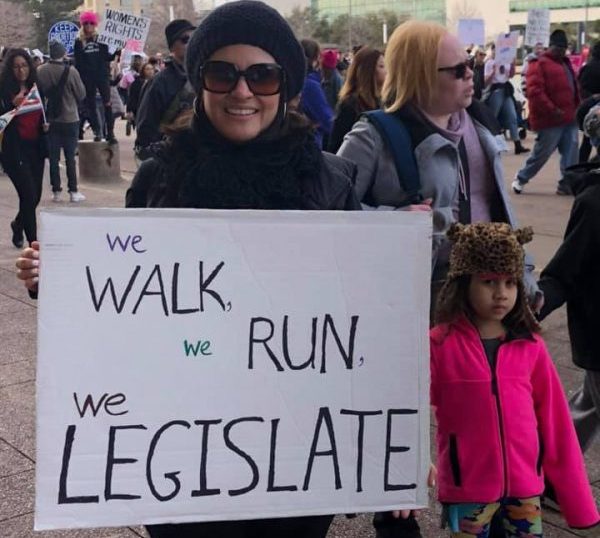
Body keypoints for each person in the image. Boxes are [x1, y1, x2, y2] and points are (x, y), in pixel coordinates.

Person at [16, 3, 360, 536]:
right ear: (199, 82)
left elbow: (364, 318)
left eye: (261, 75)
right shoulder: (158, 177)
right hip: (177, 454)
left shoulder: (329, 181)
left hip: (292, 456)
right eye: (222, 73)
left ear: (285, 86)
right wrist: (64, 282)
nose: (242, 91)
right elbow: (129, 297)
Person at [337, 21, 540, 311]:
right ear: (420, 77)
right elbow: (332, 210)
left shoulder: (480, 124)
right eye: (458, 70)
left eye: (469, 64)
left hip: (487, 303)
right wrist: (393, 220)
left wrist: (525, 277)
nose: (471, 73)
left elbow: (500, 212)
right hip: (414, 306)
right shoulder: (372, 135)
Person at [431, 222, 600, 537]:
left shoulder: (530, 346)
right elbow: (406, 412)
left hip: (525, 492)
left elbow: (557, 424)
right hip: (468, 490)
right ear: (462, 283)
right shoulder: (439, 345)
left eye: (510, 282)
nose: (501, 293)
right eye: (489, 281)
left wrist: (578, 501)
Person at [538, 161, 600, 457]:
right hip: (597, 334)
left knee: (588, 404)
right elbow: (564, 271)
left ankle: (551, 473)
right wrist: (526, 310)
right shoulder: (594, 203)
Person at [512, 30, 580, 196]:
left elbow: (574, 86)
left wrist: (577, 105)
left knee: (571, 152)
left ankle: (566, 183)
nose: (562, 51)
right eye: (558, 48)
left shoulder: (565, 63)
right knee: (541, 153)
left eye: (564, 48)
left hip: (569, 116)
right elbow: (535, 92)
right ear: (551, 47)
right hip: (551, 119)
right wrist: (552, 109)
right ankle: (521, 178)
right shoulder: (539, 64)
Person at [0, 48, 47, 248]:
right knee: (27, 194)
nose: (21, 71)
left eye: (24, 66)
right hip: (13, 150)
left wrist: (47, 125)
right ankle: (33, 243)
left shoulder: (36, 87)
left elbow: (44, 111)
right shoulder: (3, 90)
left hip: (35, 147)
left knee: (35, 196)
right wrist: (11, 105)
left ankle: (18, 224)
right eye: (16, 67)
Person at [134, 19, 195, 160]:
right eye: (185, 39)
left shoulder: (206, 75)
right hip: (172, 159)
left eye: (195, 37)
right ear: (172, 47)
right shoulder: (159, 82)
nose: (191, 43)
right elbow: (145, 126)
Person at [37, 40, 86, 203]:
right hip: (70, 118)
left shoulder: (41, 71)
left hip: (50, 119)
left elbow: (38, 96)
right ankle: (73, 191)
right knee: (70, 157)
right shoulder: (71, 71)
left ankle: (56, 191)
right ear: (63, 53)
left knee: (53, 158)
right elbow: (81, 94)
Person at [328, 46, 385, 153]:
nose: (387, 71)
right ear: (368, 71)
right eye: (381, 66)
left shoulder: (382, 100)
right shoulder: (351, 104)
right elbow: (337, 145)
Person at [74, 11, 116, 143]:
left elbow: (107, 57)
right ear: (82, 24)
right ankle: (97, 131)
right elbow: (78, 62)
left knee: (107, 103)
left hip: (102, 75)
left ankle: (110, 133)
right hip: (87, 77)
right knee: (90, 105)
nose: (88, 26)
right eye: (85, 23)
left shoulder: (101, 39)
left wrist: (117, 50)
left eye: (91, 23)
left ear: (95, 24)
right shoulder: (79, 41)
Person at [483, 45, 529, 154]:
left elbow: (510, 75)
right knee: (493, 117)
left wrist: (512, 65)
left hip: (505, 90)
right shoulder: (489, 63)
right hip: (496, 90)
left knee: (512, 116)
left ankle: (517, 144)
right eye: (494, 50)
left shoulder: (505, 62)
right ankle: (489, 143)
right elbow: (486, 81)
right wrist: (493, 72)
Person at [300, 39, 333, 149]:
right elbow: (328, 121)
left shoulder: (295, 80)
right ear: (315, 59)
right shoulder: (310, 85)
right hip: (310, 145)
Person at [577, 41, 600, 162]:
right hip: (594, 108)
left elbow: (580, 88)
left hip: (589, 109)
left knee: (587, 142)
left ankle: (581, 167)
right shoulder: (589, 67)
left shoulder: (587, 68)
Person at [126, 62, 155, 129]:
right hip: (139, 109)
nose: (150, 71)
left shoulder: (156, 82)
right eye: (147, 69)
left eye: (151, 69)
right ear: (143, 70)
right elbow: (132, 97)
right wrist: (130, 111)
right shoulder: (136, 83)